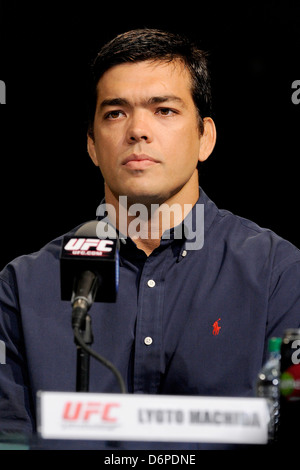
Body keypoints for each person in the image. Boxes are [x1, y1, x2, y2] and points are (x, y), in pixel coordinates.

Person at [0, 28, 299, 450]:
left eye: (164, 110)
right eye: (115, 113)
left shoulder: (278, 274)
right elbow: (7, 439)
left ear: (205, 137)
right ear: (91, 144)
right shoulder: (21, 286)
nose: (138, 130)